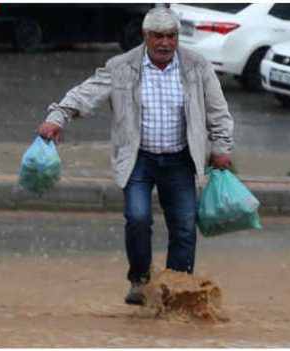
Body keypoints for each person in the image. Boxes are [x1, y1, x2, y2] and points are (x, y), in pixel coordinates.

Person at [37, 8, 233, 306]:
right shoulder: (122, 66)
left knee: (183, 226)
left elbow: (218, 109)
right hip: (138, 158)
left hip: (180, 159)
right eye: (158, 37)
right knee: (138, 218)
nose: (165, 43)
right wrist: (58, 117)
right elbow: (86, 93)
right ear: (146, 37)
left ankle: (176, 289)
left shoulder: (196, 65)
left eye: (171, 36)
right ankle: (140, 280)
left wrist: (221, 148)